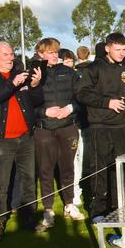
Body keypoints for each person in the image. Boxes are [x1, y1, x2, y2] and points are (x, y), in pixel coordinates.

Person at [75, 33, 125, 222]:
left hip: (122, 125)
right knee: (100, 168)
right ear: (107, 48)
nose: (122, 53)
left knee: (120, 167)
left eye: (124, 49)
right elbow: (82, 93)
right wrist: (107, 103)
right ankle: (98, 210)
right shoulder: (94, 68)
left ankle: (118, 206)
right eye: (118, 49)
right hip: (100, 126)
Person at [0, 41, 43, 241]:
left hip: (25, 137)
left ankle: (29, 218)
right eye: (5, 54)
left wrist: (34, 85)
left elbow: (35, 101)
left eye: (11, 53)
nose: (11, 57)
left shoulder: (19, 72)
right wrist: (12, 84)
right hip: (0, 140)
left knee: (28, 179)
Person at [33, 38, 85, 231]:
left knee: (67, 168)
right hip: (43, 129)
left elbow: (81, 97)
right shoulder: (34, 73)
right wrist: (44, 112)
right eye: (50, 52)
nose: (55, 55)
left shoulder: (69, 72)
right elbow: (28, 103)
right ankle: (48, 210)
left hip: (67, 126)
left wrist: (70, 108)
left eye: (56, 51)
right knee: (45, 170)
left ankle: (69, 205)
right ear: (40, 53)